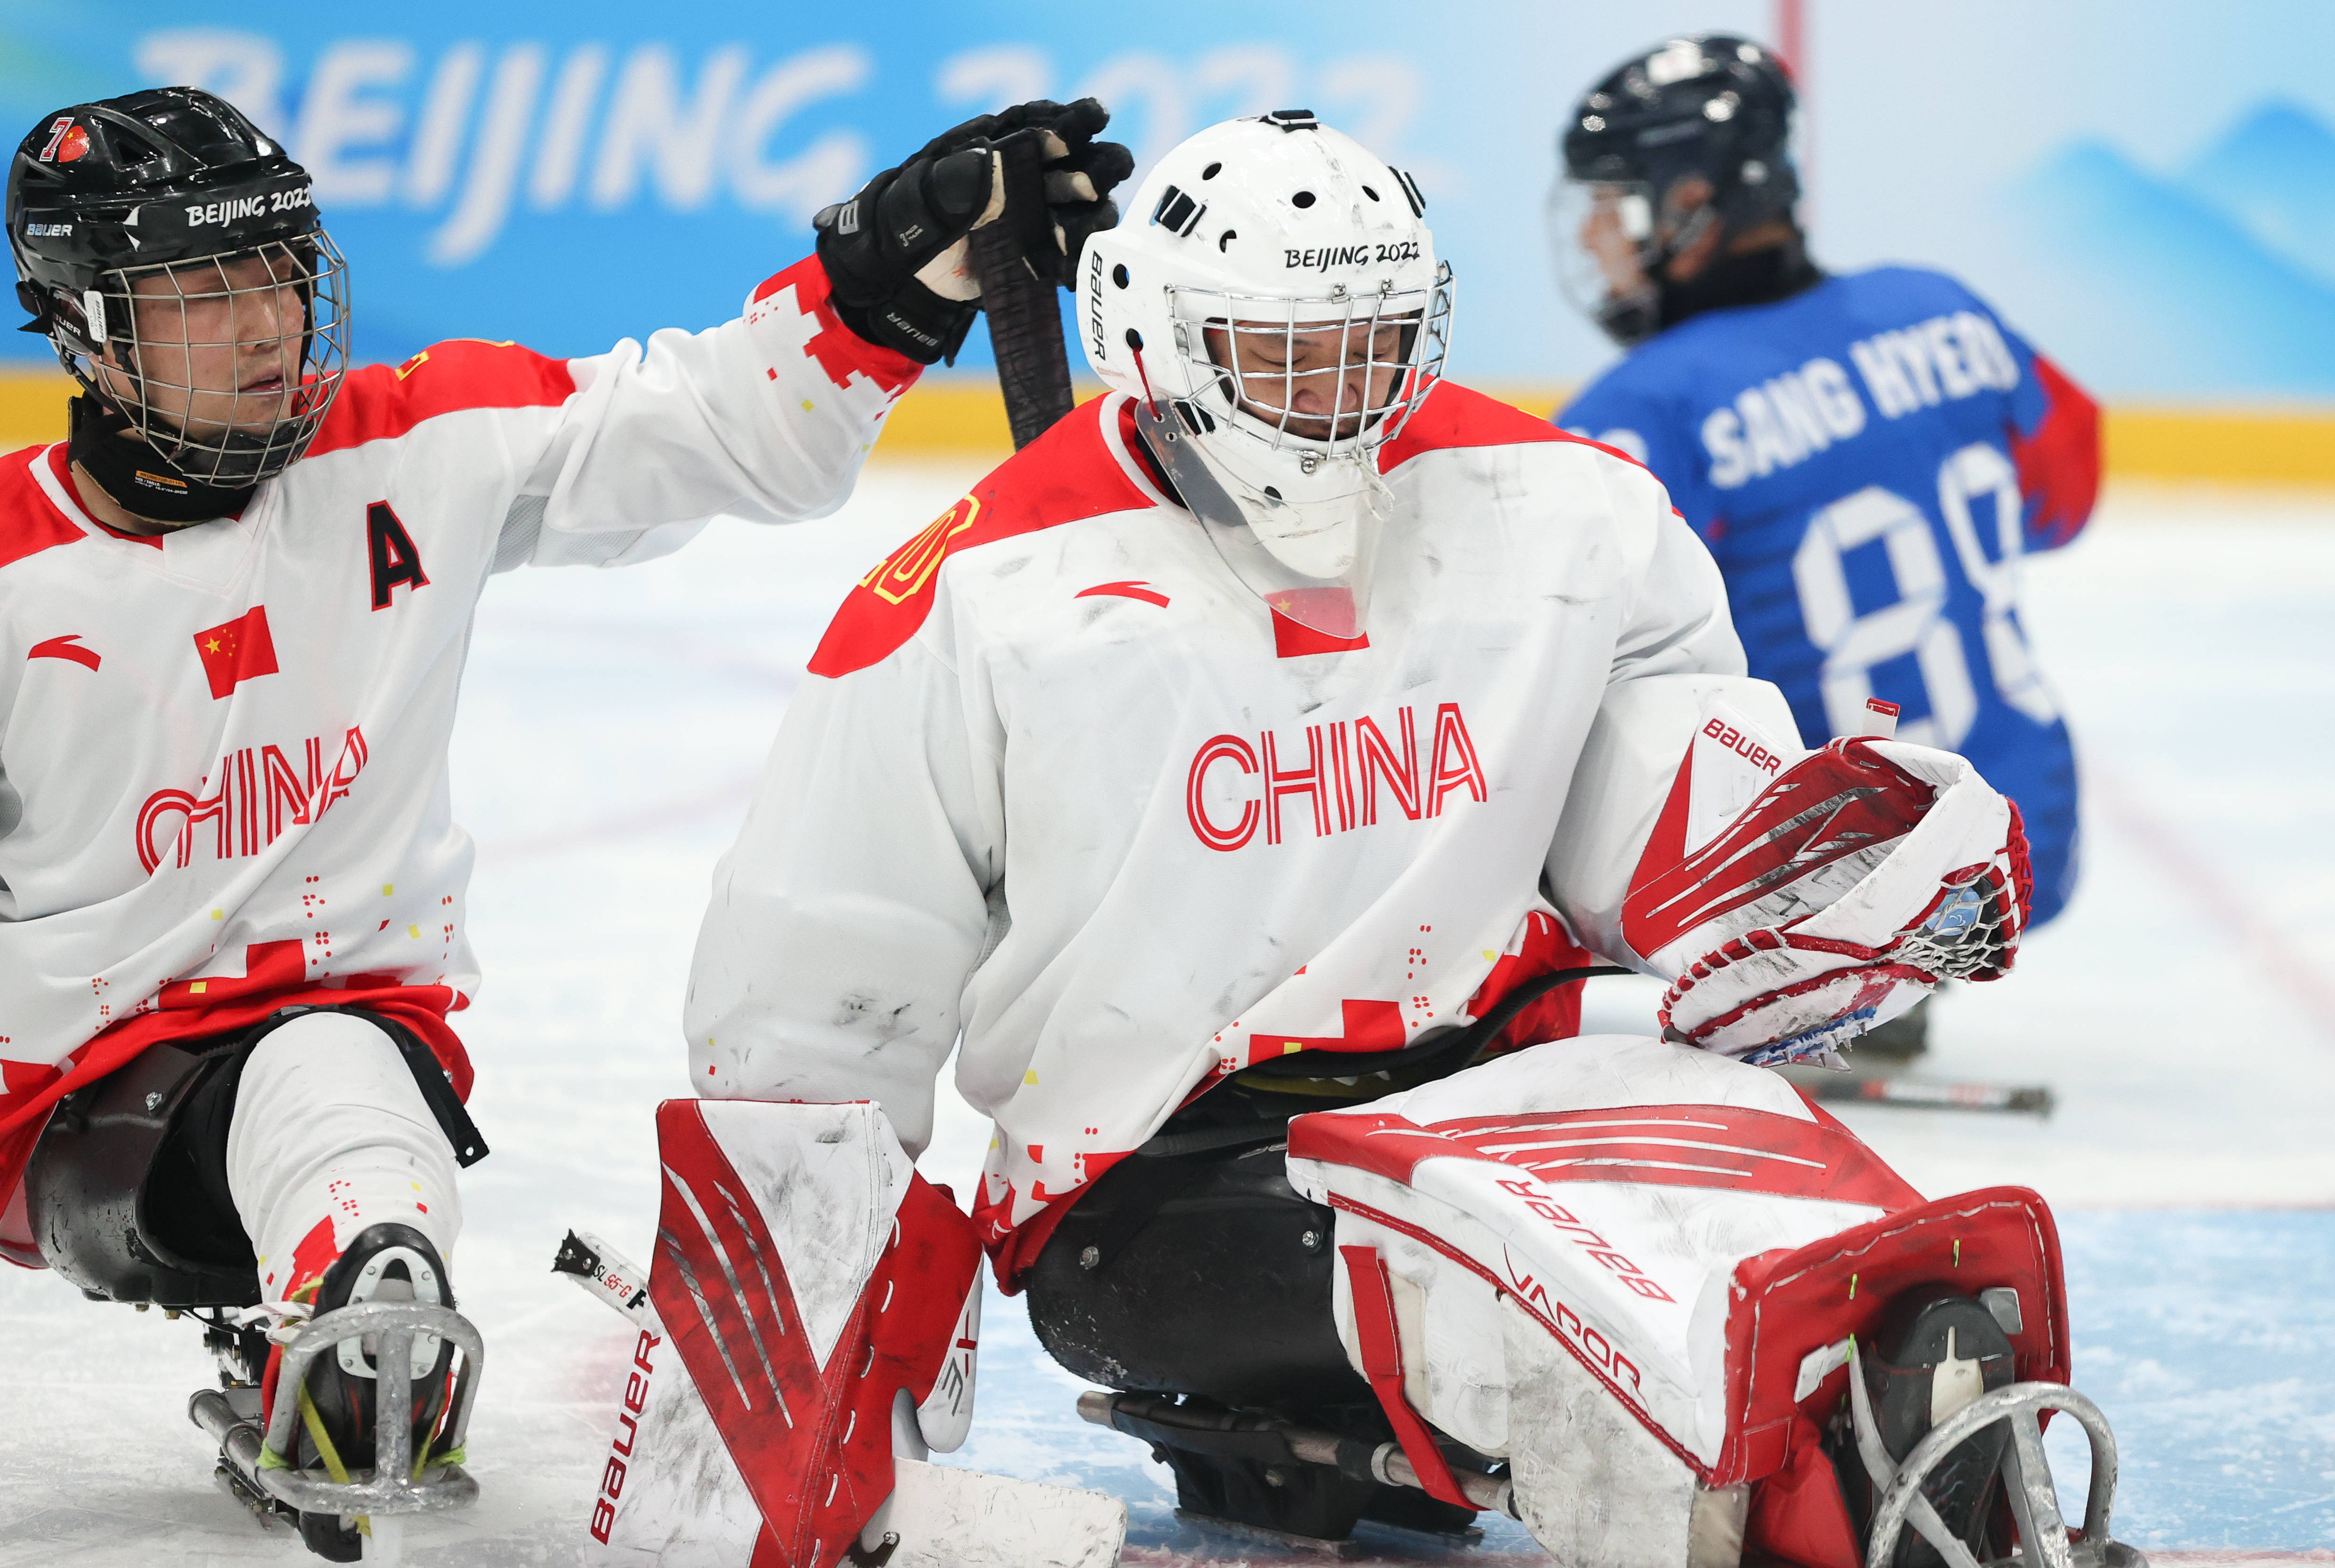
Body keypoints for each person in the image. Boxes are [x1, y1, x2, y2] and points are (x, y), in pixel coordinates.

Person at [585, 113, 2134, 1568]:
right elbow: (813, 1019)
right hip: (1160, 1191)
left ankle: (1931, 1499)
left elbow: (1654, 779)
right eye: (1280, 356)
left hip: (1510, 1088)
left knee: (1895, 1271)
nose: (1334, 404)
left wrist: (1801, 883)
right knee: (1628, 1347)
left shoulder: (1566, 506)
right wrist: (784, 1404)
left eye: (1370, 351)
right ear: (1154, 331)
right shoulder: (969, 603)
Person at [0, 84, 1129, 1558]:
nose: (268, 322)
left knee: (335, 1074)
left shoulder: (415, 448)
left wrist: (890, 274)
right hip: (74, 1110)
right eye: (206, 291)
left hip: (357, 1051)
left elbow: (702, 424)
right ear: (88, 321)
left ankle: (365, 1304)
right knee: (322, 1072)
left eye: (278, 272)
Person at [1552, 35, 2102, 1063]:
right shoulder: (1939, 306)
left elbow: (1540, 648)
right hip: (2028, 839)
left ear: (1690, 207)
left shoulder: (1646, 407)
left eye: (1612, 202)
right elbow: (2066, 499)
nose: (1593, 236)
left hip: (1813, 887)